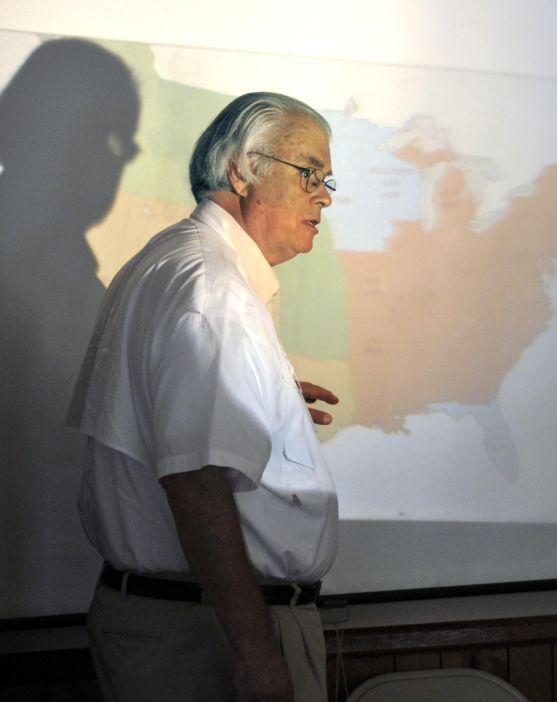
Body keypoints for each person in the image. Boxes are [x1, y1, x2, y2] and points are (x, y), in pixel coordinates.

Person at [67, 92, 340, 702]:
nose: (324, 195)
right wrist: (256, 653)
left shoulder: (172, 261)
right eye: (309, 174)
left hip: (186, 623)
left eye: (328, 180)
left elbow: (163, 416)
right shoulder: (214, 289)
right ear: (242, 169)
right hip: (210, 636)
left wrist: (262, 392)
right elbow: (195, 480)